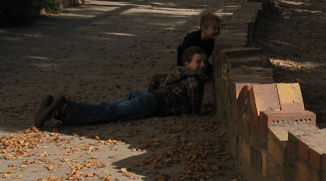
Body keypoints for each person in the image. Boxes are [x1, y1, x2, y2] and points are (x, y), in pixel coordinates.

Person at [34, 48, 208, 129]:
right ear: (187, 64)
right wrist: (196, 112)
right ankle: (65, 110)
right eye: (198, 62)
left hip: (144, 96)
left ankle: (58, 110)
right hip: (152, 103)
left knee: (108, 107)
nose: (202, 65)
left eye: (204, 62)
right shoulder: (194, 80)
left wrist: (149, 93)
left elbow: (157, 78)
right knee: (110, 112)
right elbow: (194, 100)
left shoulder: (178, 73)